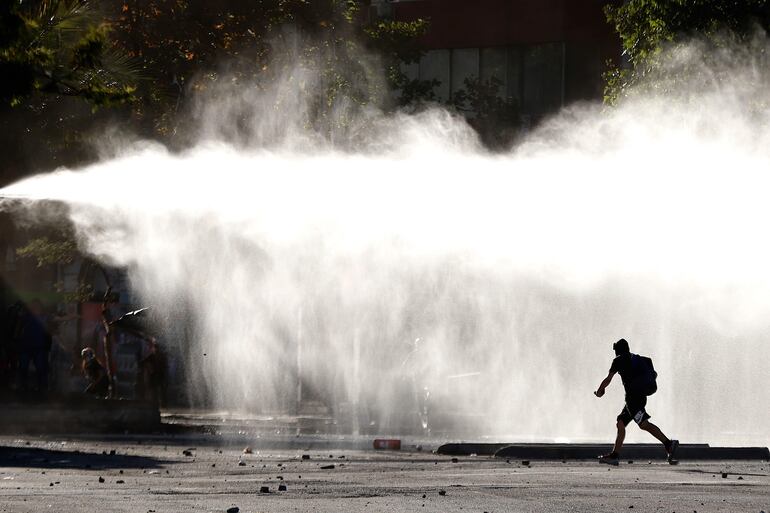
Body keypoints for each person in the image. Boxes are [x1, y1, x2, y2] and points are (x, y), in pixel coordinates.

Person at [594, 338, 678, 466]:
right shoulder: (640, 359)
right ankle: (614, 456)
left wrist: (600, 390)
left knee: (643, 424)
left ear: (618, 350)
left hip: (633, 400)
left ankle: (668, 444)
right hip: (639, 397)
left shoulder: (618, 360)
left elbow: (608, 378)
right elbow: (654, 375)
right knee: (620, 423)